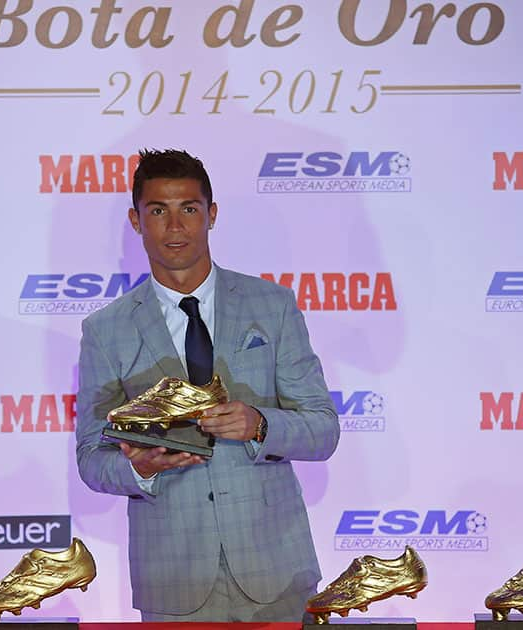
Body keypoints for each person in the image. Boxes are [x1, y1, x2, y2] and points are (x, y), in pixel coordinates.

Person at [75, 148, 339, 622]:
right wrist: (143, 469)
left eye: (189, 209)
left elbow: (323, 430)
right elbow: (92, 459)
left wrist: (260, 424)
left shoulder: (272, 305)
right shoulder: (105, 330)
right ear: (136, 221)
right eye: (158, 210)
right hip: (173, 578)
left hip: (274, 567)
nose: (175, 226)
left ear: (211, 215)